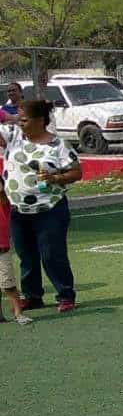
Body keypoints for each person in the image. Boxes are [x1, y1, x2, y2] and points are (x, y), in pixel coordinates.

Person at [1, 100, 80, 313]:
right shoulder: (13, 136)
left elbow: (76, 172)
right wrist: (8, 118)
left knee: (52, 254)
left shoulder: (59, 145)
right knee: (26, 256)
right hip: (19, 211)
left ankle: (65, 295)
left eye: (24, 120)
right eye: (19, 119)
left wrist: (55, 178)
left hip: (50, 210)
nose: (20, 123)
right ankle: (33, 296)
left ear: (40, 120)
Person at [0, 195, 31, 324]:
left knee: (9, 285)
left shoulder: (3, 201)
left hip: (2, 250)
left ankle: (18, 314)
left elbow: (2, 193)